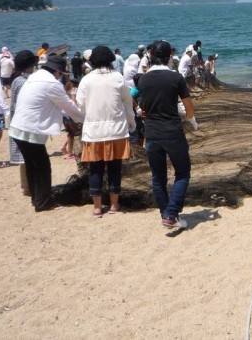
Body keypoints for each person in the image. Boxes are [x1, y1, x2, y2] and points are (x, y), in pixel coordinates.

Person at [9, 55, 83, 212]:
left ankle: (36, 199)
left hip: (17, 127)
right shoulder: (52, 83)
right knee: (42, 167)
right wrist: (85, 119)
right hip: (30, 130)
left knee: (32, 166)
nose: (61, 76)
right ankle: (44, 204)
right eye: (61, 73)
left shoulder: (34, 76)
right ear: (57, 71)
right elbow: (68, 105)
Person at [137, 40, 198, 229]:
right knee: (182, 173)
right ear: (170, 55)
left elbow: (142, 108)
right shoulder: (176, 78)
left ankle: (167, 214)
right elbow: (188, 106)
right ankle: (171, 213)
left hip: (152, 133)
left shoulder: (143, 79)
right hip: (172, 131)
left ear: (151, 55)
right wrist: (192, 121)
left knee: (158, 177)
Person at [76, 46, 136, 218]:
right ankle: (114, 205)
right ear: (111, 60)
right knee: (115, 168)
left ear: (92, 61)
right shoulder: (118, 77)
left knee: (95, 169)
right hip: (116, 131)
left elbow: (80, 106)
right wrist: (131, 124)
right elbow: (127, 103)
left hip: (93, 132)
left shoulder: (86, 80)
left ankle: (97, 207)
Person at [8, 50, 39, 196]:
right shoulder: (23, 82)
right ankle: (28, 187)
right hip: (24, 122)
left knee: (24, 157)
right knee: (27, 156)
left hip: (17, 121)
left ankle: (27, 186)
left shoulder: (16, 80)